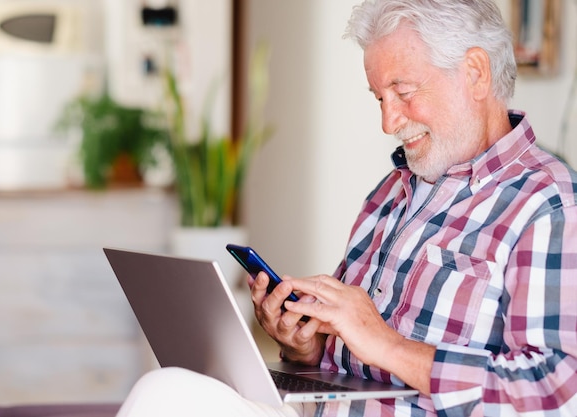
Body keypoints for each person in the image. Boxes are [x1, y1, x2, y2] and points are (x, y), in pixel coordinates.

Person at [116, 0, 577, 415]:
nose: (388, 122)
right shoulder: (390, 193)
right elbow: (344, 353)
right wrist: (304, 345)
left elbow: (555, 391)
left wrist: (390, 347)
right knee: (168, 391)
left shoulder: (546, 203)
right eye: (380, 98)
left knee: (165, 394)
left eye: (404, 91)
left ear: (475, 73)